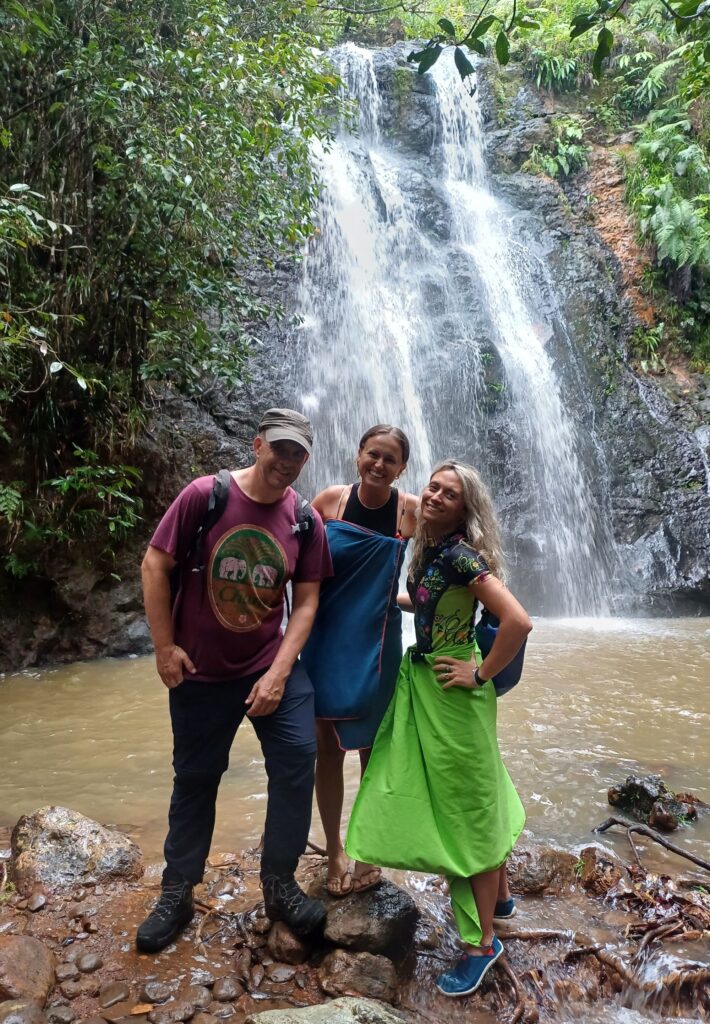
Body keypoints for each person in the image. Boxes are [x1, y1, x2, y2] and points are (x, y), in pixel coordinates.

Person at [136, 408, 333, 953]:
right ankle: (177, 891)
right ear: (257, 444)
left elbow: (308, 600)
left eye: (298, 453)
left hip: (270, 664)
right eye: (280, 449)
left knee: (297, 759)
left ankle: (279, 883)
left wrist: (279, 672)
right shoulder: (206, 495)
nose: (288, 462)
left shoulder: (305, 522)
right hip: (201, 669)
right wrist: (163, 647)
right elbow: (155, 564)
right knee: (196, 777)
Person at [346, 460, 531, 997]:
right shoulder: (429, 549)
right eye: (433, 487)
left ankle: (481, 946)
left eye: (449, 494)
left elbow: (517, 620)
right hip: (429, 682)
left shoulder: (458, 554)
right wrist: (387, 599)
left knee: (463, 808)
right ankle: (500, 896)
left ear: (464, 509)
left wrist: (481, 673)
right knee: (478, 791)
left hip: (454, 690)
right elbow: (430, 602)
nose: (435, 497)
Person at [300, 425, 417, 897]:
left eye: (390, 459)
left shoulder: (410, 512)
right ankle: (333, 850)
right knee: (327, 751)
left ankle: (367, 846)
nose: (379, 465)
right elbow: (292, 563)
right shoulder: (329, 502)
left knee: (373, 752)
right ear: (358, 455)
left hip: (380, 641)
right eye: (373, 454)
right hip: (327, 640)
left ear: (402, 468)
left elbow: (439, 564)